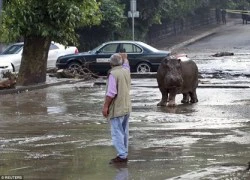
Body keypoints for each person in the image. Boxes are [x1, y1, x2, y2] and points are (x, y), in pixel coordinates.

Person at [102, 53, 131, 164]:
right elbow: (126, 65)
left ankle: (122, 155)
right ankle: (124, 153)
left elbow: (111, 93)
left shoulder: (113, 74)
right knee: (124, 132)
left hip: (117, 108)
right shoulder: (126, 71)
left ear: (110, 63)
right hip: (126, 107)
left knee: (117, 132)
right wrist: (125, 58)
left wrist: (105, 107)